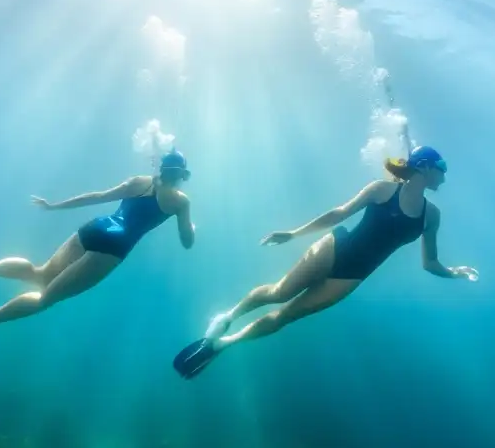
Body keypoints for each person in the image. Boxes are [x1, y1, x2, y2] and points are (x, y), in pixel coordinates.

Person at [172, 145, 477, 379]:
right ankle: (228, 316)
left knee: (285, 317)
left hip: (352, 276)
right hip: (336, 246)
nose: (445, 175)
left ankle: (221, 345)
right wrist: (293, 234)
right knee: (279, 293)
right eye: (442, 168)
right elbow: (338, 214)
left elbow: (430, 263)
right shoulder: (383, 189)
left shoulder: (431, 216)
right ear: (424, 167)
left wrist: (455, 273)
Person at [0, 149, 196, 375]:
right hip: (114, 247)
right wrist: (190, 226)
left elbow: (97, 196)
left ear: (161, 168)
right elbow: (187, 241)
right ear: (182, 175)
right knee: (45, 298)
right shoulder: (180, 202)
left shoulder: (141, 181)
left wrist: (55, 205)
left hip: (96, 227)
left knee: (40, 273)